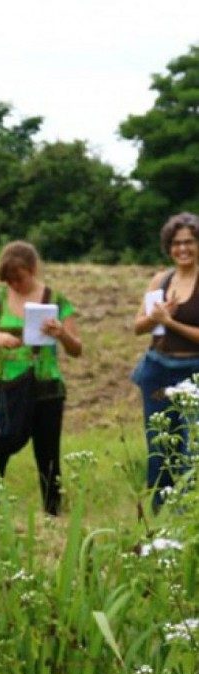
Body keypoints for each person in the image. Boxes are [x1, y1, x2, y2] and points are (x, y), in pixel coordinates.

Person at [0, 241, 82, 515]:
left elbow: (77, 349)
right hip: (5, 384)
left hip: (46, 386)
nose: (15, 285)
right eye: (9, 280)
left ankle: (52, 513)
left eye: (19, 278)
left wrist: (60, 334)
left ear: (33, 269)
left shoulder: (56, 299)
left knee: (47, 453)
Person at [132, 212, 199, 509]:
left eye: (189, 242)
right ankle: (159, 516)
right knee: (160, 446)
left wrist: (169, 321)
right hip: (157, 370)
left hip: (193, 372)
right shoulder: (161, 279)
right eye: (176, 243)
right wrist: (155, 318)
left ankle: (188, 515)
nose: (182, 249)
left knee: (190, 448)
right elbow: (138, 326)